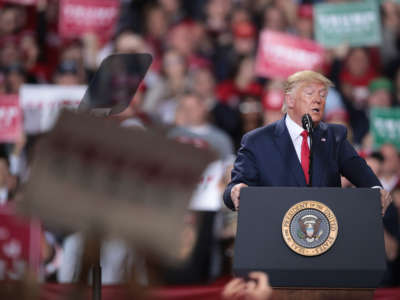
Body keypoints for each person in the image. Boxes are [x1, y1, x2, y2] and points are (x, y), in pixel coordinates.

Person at [223, 70, 392, 215]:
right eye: (310, 93)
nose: (318, 100)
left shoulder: (334, 137)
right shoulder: (257, 141)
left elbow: (362, 174)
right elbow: (234, 188)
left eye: (323, 95)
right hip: (274, 234)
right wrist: (236, 191)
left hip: (326, 236)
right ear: (290, 100)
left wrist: (377, 192)